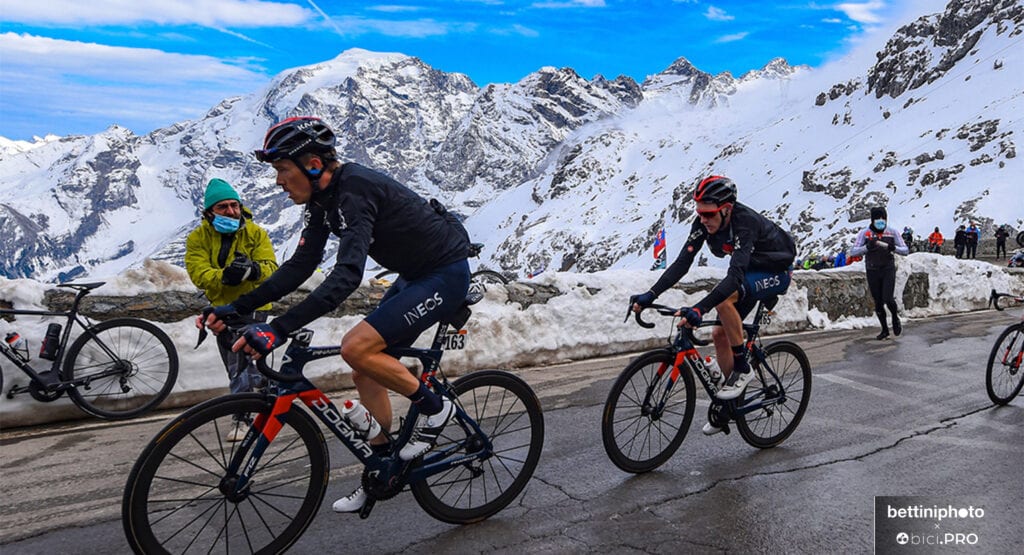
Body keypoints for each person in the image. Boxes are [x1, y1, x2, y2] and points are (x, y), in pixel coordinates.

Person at [200, 116, 472, 513]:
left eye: (281, 170)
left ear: (312, 164)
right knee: (366, 368)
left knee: (356, 348)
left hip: (445, 274)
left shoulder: (355, 190)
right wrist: (238, 307)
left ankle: (436, 407)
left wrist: (278, 328)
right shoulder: (322, 201)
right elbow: (300, 265)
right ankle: (384, 463)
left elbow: (347, 275)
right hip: (415, 277)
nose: (278, 181)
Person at [630, 176, 796, 435]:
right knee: (719, 334)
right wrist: (650, 294)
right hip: (752, 269)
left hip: (776, 271)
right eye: (699, 213)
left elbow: (734, 277)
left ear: (727, 209)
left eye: (709, 214)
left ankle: (742, 368)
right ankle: (731, 404)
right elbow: (682, 264)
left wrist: (700, 308)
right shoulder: (702, 224)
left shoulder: (745, 223)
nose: (703, 219)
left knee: (723, 301)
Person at [185, 178, 278, 441]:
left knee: (241, 362)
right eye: (223, 207)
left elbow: (271, 267)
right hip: (223, 310)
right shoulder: (197, 238)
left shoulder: (255, 233)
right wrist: (226, 277)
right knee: (236, 362)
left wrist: (251, 270)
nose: (231, 212)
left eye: (234, 205)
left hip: (255, 306)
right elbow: (198, 273)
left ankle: (242, 416)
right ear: (209, 212)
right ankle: (268, 395)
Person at [850, 206, 909, 340]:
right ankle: (884, 329)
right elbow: (854, 251)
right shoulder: (865, 234)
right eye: (878, 219)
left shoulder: (892, 232)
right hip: (872, 270)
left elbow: (905, 250)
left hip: (888, 268)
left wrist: (894, 248)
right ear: (872, 220)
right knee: (878, 302)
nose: (881, 222)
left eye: (883, 219)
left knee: (888, 298)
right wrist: (867, 247)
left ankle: (895, 317)